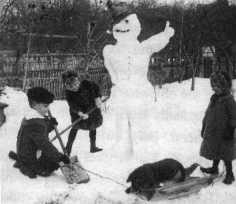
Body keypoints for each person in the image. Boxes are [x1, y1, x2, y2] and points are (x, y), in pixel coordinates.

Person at [8, 87, 70, 179]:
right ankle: (36, 168)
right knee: (54, 163)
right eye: (45, 106)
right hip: (30, 157)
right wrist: (59, 158)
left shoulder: (31, 118)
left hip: (28, 151)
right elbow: (44, 144)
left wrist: (49, 125)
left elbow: (40, 133)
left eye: (48, 106)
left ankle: (25, 160)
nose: (48, 109)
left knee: (54, 157)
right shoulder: (35, 123)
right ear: (35, 105)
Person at [200, 71, 236, 184]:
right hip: (214, 132)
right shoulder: (214, 98)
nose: (214, 88)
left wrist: (231, 130)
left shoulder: (229, 100)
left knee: (226, 154)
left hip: (225, 133)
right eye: (213, 86)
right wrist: (204, 126)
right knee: (215, 150)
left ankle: (230, 174)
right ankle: (214, 168)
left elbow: (234, 116)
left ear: (224, 87)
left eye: (217, 86)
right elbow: (208, 113)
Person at [62, 70, 103, 155]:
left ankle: (93, 147)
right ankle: (68, 149)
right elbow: (72, 104)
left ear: (78, 81)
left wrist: (97, 98)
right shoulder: (68, 92)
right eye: (72, 87)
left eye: (76, 85)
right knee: (75, 127)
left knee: (93, 125)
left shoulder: (86, 83)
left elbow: (96, 88)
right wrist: (79, 112)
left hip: (91, 106)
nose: (76, 88)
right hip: (78, 110)